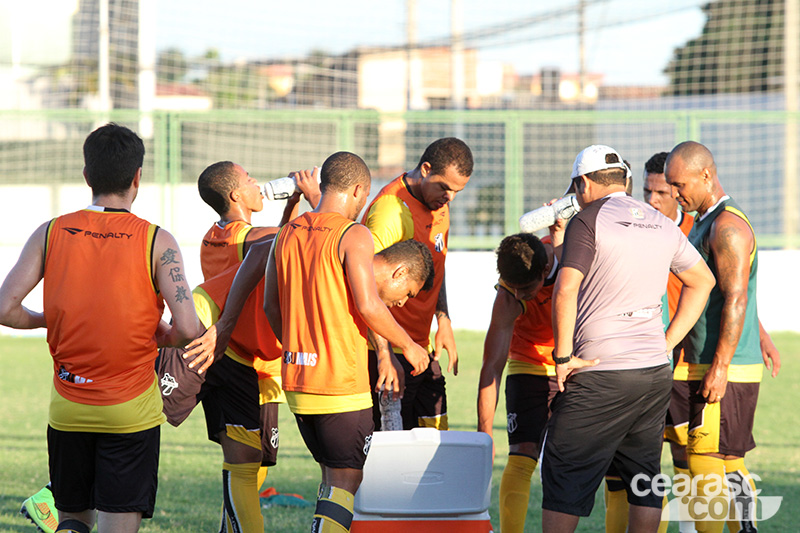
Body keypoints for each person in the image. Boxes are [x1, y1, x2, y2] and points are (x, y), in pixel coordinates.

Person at [0, 123, 202, 533]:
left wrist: (48, 320)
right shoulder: (157, 241)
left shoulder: (51, 232)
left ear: (87, 175)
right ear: (137, 178)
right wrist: (162, 334)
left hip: (68, 409)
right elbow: (187, 328)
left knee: (72, 521)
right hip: (131, 413)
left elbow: (5, 308)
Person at [540, 144, 715, 533]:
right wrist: (666, 343)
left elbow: (566, 289)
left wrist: (563, 357)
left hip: (602, 372)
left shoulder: (589, 219)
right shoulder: (660, 220)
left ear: (583, 183)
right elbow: (702, 281)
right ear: (625, 180)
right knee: (644, 479)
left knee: (564, 470)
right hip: (653, 371)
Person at [264, 151, 430, 533]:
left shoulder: (288, 231)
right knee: (347, 484)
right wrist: (410, 345)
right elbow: (369, 304)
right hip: (340, 383)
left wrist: (295, 344)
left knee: (331, 479)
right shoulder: (353, 234)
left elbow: (271, 305)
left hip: (298, 385)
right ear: (359, 189)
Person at [665, 141, 780, 533]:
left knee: (706, 463)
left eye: (680, 185)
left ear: (706, 176)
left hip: (720, 367)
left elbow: (736, 297)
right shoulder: (702, 220)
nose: (675, 194)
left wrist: (721, 367)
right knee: (726, 462)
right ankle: (746, 528)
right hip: (697, 361)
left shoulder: (727, 226)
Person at [362, 137, 473, 430]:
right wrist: (384, 356)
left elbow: (436, 263)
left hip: (419, 349)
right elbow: (365, 283)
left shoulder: (440, 203)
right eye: (445, 187)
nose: (450, 198)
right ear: (425, 169)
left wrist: (443, 320)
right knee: (394, 459)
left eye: (457, 191)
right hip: (390, 353)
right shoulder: (391, 210)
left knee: (437, 442)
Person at [476, 231, 560, 533]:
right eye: (513, 288)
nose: (519, 295)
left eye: (526, 289)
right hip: (528, 364)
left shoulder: (571, 259)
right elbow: (492, 366)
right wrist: (484, 432)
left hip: (576, 368)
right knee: (522, 455)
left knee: (567, 463)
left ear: (543, 271)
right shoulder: (509, 294)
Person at [198, 161, 320, 280]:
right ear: (236, 196)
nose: (255, 181)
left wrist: (292, 201)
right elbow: (329, 231)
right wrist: (314, 195)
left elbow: (281, 235)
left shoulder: (210, 237)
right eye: (248, 179)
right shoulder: (252, 237)